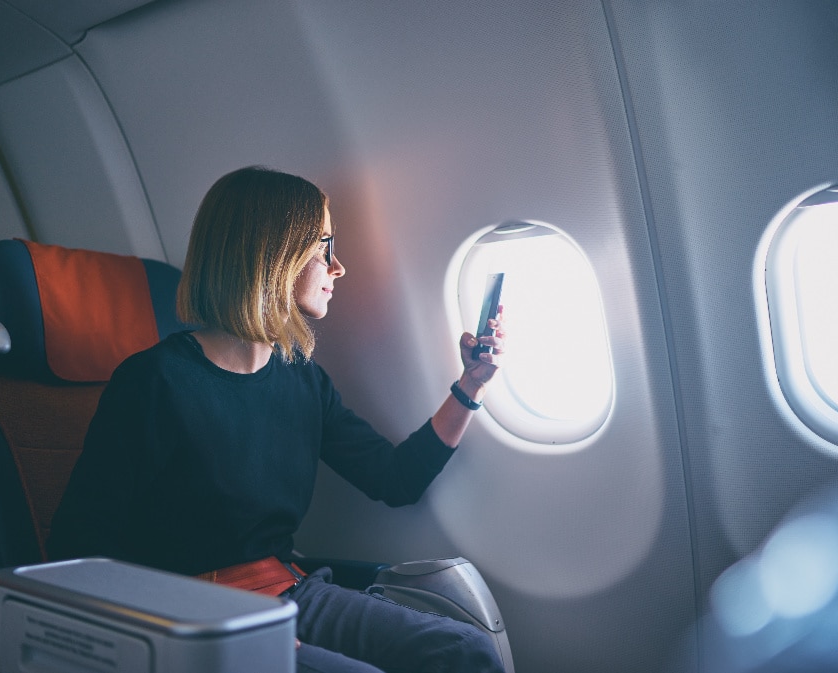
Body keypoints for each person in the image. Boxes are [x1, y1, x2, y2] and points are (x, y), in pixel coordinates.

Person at [47, 166, 507, 673]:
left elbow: (396, 479)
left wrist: (471, 386)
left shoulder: (301, 380)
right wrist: (226, 631)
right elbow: (79, 547)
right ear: (274, 255)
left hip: (288, 592)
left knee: (465, 649)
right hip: (189, 612)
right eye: (325, 247)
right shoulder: (155, 382)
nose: (338, 268)